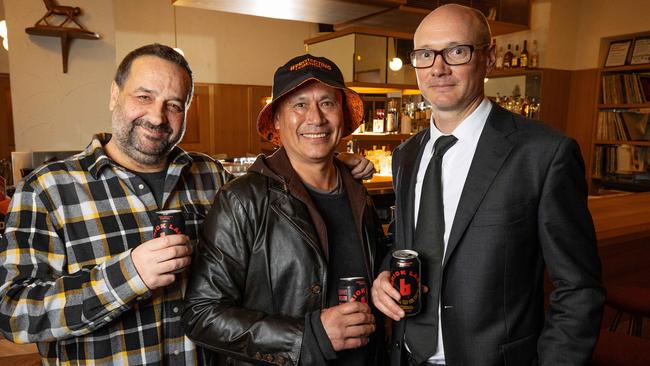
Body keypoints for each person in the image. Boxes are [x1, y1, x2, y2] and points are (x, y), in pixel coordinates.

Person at [0, 44, 373, 365]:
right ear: (115, 94)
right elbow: (12, 314)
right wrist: (129, 275)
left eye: (174, 104)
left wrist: (336, 165)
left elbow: (282, 198)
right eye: (143, 96)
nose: (158, 116)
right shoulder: (49, 189)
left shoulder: (209, 176)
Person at [371, 4, 604, 366]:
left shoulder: (544, 153)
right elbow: (404, 242)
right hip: (406, 356)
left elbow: (578, 288)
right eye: (425, 54)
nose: (438, 68)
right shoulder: (406, 156)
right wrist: (386, 272)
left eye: (456, 51)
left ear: (489, 57)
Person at [182, 54, 387, 366]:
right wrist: (308, 336)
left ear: (342, 116)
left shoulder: (358, 192)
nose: (315, 118)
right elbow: (202, 314)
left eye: (328, 103)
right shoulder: (242, 200)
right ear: (277, 120)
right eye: (299, 105)